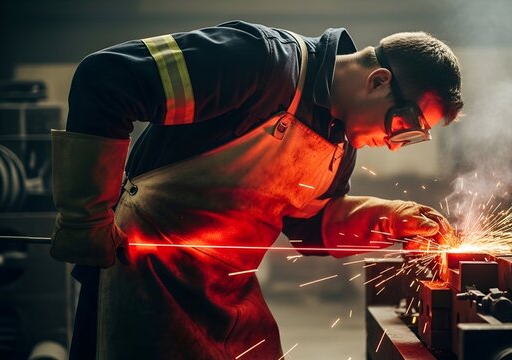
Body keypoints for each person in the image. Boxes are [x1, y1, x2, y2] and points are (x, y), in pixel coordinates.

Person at [49, 20, 463, 359]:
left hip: (227, 302)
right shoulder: (260, 63)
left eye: (413, 138)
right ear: (378, 80)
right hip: (140, 287)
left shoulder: (340, 144)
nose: (395, 144)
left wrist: (387, 218)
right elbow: (104, 79)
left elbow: (309, 222)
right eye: (403, 126)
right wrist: (87, 216)